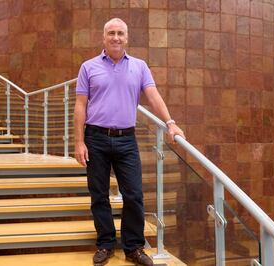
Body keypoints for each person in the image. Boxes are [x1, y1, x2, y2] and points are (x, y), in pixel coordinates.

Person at [74, 18, 185, 266]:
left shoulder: (140, 66)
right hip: (96, 138)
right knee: (99, 195)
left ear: (127, 37)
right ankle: (105, 243)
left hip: (127, 140)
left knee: (134, 195)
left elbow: (153, 96)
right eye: (111, 33)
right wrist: (79, 142)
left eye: (120, 33)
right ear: (103, 38)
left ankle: (133, 247)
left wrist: (170, 123)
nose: (116, 37)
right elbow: (80, 106)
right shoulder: (88, 67)